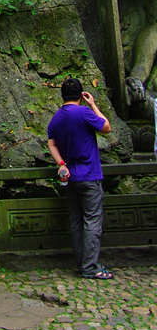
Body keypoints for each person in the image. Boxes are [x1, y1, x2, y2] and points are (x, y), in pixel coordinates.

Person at [47, 77, 113, 280]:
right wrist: (93, 105)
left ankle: (82, 263)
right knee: (92, 220)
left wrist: (62, 164)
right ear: (80, 95)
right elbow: (106, 127)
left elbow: (52, 144)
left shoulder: (56, 118)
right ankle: (90, 266)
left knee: (76, 221)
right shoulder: (84, 112)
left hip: (71, 178)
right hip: (90, 174)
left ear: (62, 95)